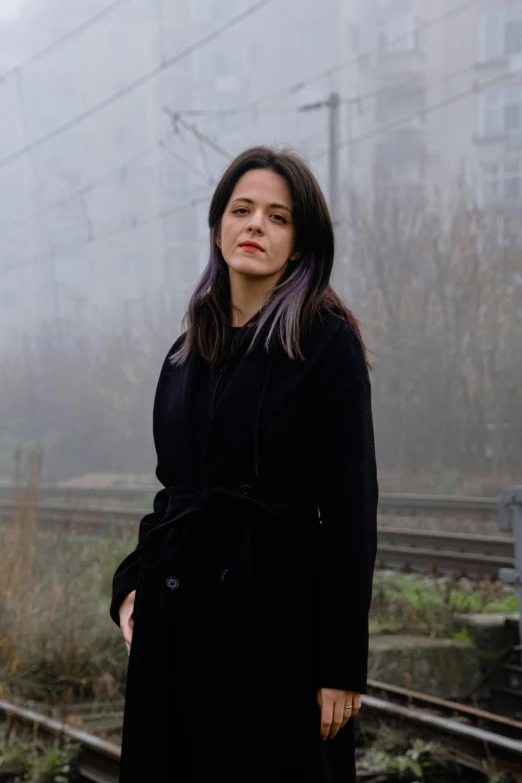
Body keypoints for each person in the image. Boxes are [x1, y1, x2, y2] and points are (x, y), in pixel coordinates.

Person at [109, 145, 378, 783]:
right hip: (176, 630)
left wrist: (341, 667)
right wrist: (128, 588)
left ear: (301, 242)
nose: (256, 225)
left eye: (278, 216)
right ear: (219, 226)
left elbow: (349, 513)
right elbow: (171, 499)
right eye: (242, 209)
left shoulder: (326, 344)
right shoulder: (184, 352)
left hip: (276, 631)